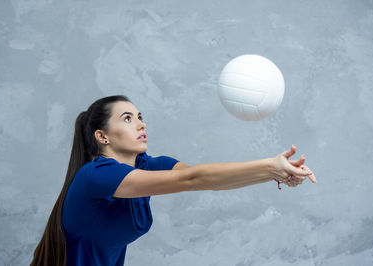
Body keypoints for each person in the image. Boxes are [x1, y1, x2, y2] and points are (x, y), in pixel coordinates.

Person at [30, 95, 316, 266]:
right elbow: (193, 179)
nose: (141, 124)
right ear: (102, 137)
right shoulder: (97, 175)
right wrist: (268, 165)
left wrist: (274, 173)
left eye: (140, 116)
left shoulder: (148, 166)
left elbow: (208, 180)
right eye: (127, 119)